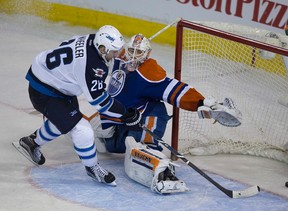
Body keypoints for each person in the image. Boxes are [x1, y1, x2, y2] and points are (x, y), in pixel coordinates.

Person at [91, 33, 241, 193]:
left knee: (141, 135)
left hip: (143, 119)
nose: (133, 55)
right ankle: (124, 143)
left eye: (139, 52)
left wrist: (202, 103)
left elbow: (176, 90)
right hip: (121, 120)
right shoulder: (118, 58)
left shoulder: (149, 72)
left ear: (147, 54)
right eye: (131, 50)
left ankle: (162, 170)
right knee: (99, 134)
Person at [13, 25, 141, 186]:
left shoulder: (92, 39)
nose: (116, 55)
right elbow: (99, 102)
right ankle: (92, 167)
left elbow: (66, 47)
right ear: (102, 48)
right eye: (113, 52)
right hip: (45, 91)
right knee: (83, 129)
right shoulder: (92, 65)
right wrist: (126, 114)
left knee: (64, 121)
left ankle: (32, 142)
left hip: (52, 80)